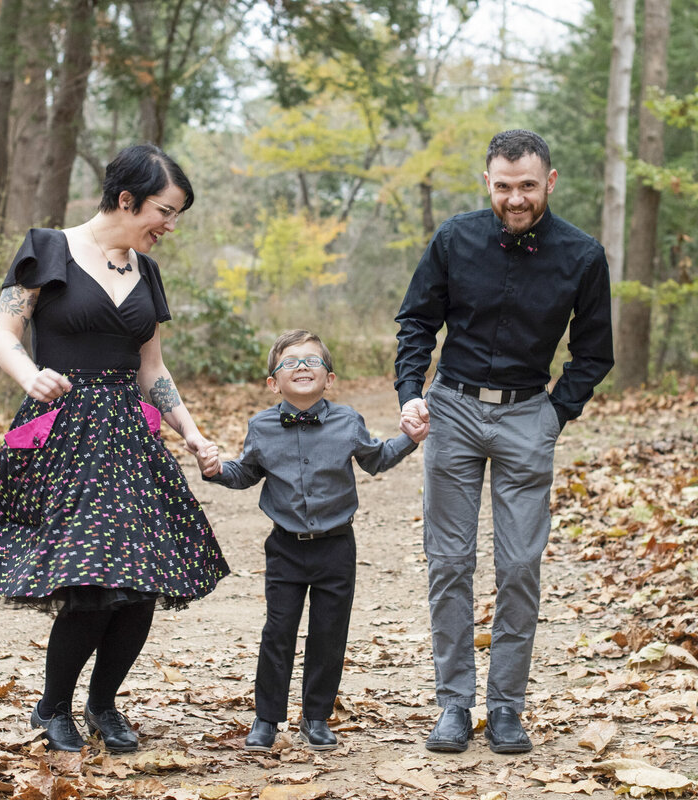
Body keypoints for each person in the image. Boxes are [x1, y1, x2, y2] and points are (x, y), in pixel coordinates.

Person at [0, 144, 229, 753]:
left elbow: (153, 368)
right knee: (92, 580)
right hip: (65, 430)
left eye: (176, 215)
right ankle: (53, 706)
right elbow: (4, 333)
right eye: (164, 211)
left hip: (130, 433)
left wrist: (193, 432)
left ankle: (103, 704)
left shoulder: (146, 272)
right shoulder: (46, 249)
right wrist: (29, 376)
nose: (169, 227)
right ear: (126, 200)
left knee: (143, 579)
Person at [395, 129, 613, 754]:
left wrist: (554, 414)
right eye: (503, 186)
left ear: (549, 181)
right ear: (486, 182)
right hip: (454, 409)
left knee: (519, 566)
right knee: (450, 562)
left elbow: (595, 350)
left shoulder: (582, 255)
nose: (515, 199)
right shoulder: (454, 238)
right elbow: (416, 321)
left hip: (527, 416)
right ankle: (454, 706)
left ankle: (507, 707)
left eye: (526, 186)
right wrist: (412, 390)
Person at [195, 330, 426, 753]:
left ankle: (316, 718)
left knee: (329, 632)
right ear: (273, 383)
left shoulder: (348, 421)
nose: (301, 367)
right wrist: (215, 470)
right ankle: (267, 719)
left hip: (337, 547)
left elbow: (376, 459)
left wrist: (409, 438)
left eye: (311, 361)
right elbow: (245, 473)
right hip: (285, 547)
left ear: (330, 378)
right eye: (290, 362)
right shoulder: (261, 427)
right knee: (278, 631)